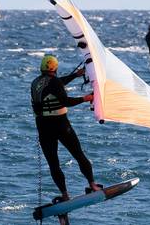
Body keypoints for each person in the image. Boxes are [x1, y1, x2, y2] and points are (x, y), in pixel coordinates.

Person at [31, 55, 101, 201]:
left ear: (42, 68)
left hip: (43, 127)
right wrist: (85, 98)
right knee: (78, 154)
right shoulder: (54, 82)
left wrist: (76, 75)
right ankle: (92, 185)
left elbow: (56, 84)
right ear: (55, 68)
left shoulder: (36, 82)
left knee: (53, 164)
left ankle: (65, 194)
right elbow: (65, 101)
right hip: (60, 125)